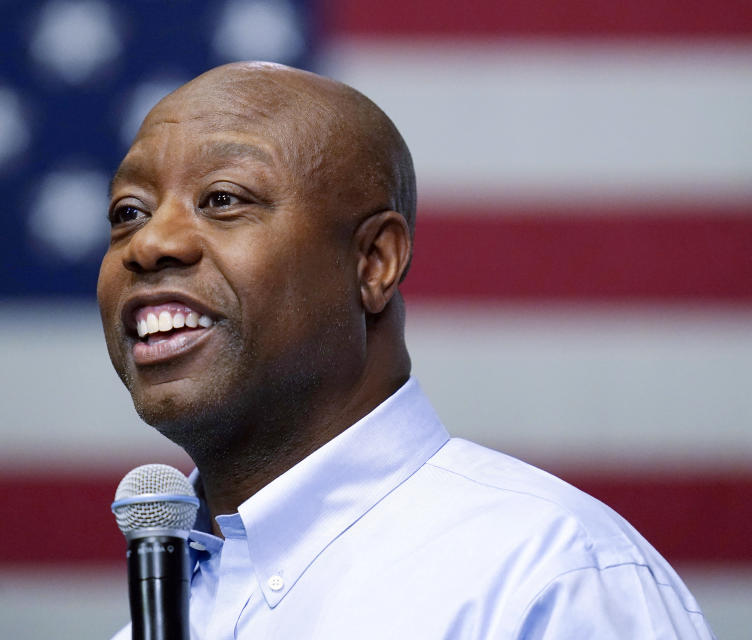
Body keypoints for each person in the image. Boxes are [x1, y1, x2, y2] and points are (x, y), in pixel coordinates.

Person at [98, 61, 715, 639]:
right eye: (129, 211)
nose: (150, 243)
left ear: (373, 262)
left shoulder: (548, 577)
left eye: (223, 199)